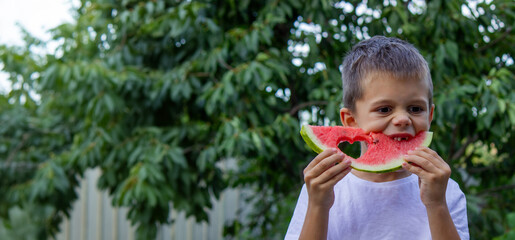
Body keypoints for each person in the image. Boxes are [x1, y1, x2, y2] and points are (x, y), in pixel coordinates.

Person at [285, 36, 469, 240]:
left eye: (415, 109)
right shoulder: (322, 190)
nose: (402, 119)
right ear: (351, 121)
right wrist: (318, 206)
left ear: (430, 116)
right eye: (384, 109)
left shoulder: (445, 191)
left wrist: (436, 204)